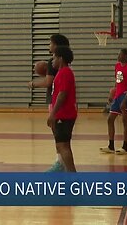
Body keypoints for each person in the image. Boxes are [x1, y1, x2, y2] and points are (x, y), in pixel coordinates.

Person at [28, 34, 70, 172]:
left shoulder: (54, 63)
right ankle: (62, 164)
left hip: (56, 101)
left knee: (58, 136)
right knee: (62, 138)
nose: (49, 46)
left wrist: (33, 84)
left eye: (50, 43)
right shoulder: (65, 65)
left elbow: (48, 82)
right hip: (64, 103)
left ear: (56, 45)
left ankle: (60, 163)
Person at [47, 46, 77, 172]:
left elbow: (62, 94)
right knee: (63, 146)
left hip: (64, 115)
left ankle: (72, 176)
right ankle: (68, 174)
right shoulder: (62, 72)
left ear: (61, 58)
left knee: (62, 146)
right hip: (63, 114)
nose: (52, 60)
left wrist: (53, 114)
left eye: (54, 57)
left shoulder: (65, 72)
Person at [100, 49, 127, 155]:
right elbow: (117, 82)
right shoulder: (117, 66)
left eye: (120, 54)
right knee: (110, 119)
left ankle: (125, 147)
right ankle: (111, 146)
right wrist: (113, 95)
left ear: (125, 56)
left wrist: (124, 100)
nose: (118, 55)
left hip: (125, 96)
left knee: (125, 120)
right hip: (118, 95)